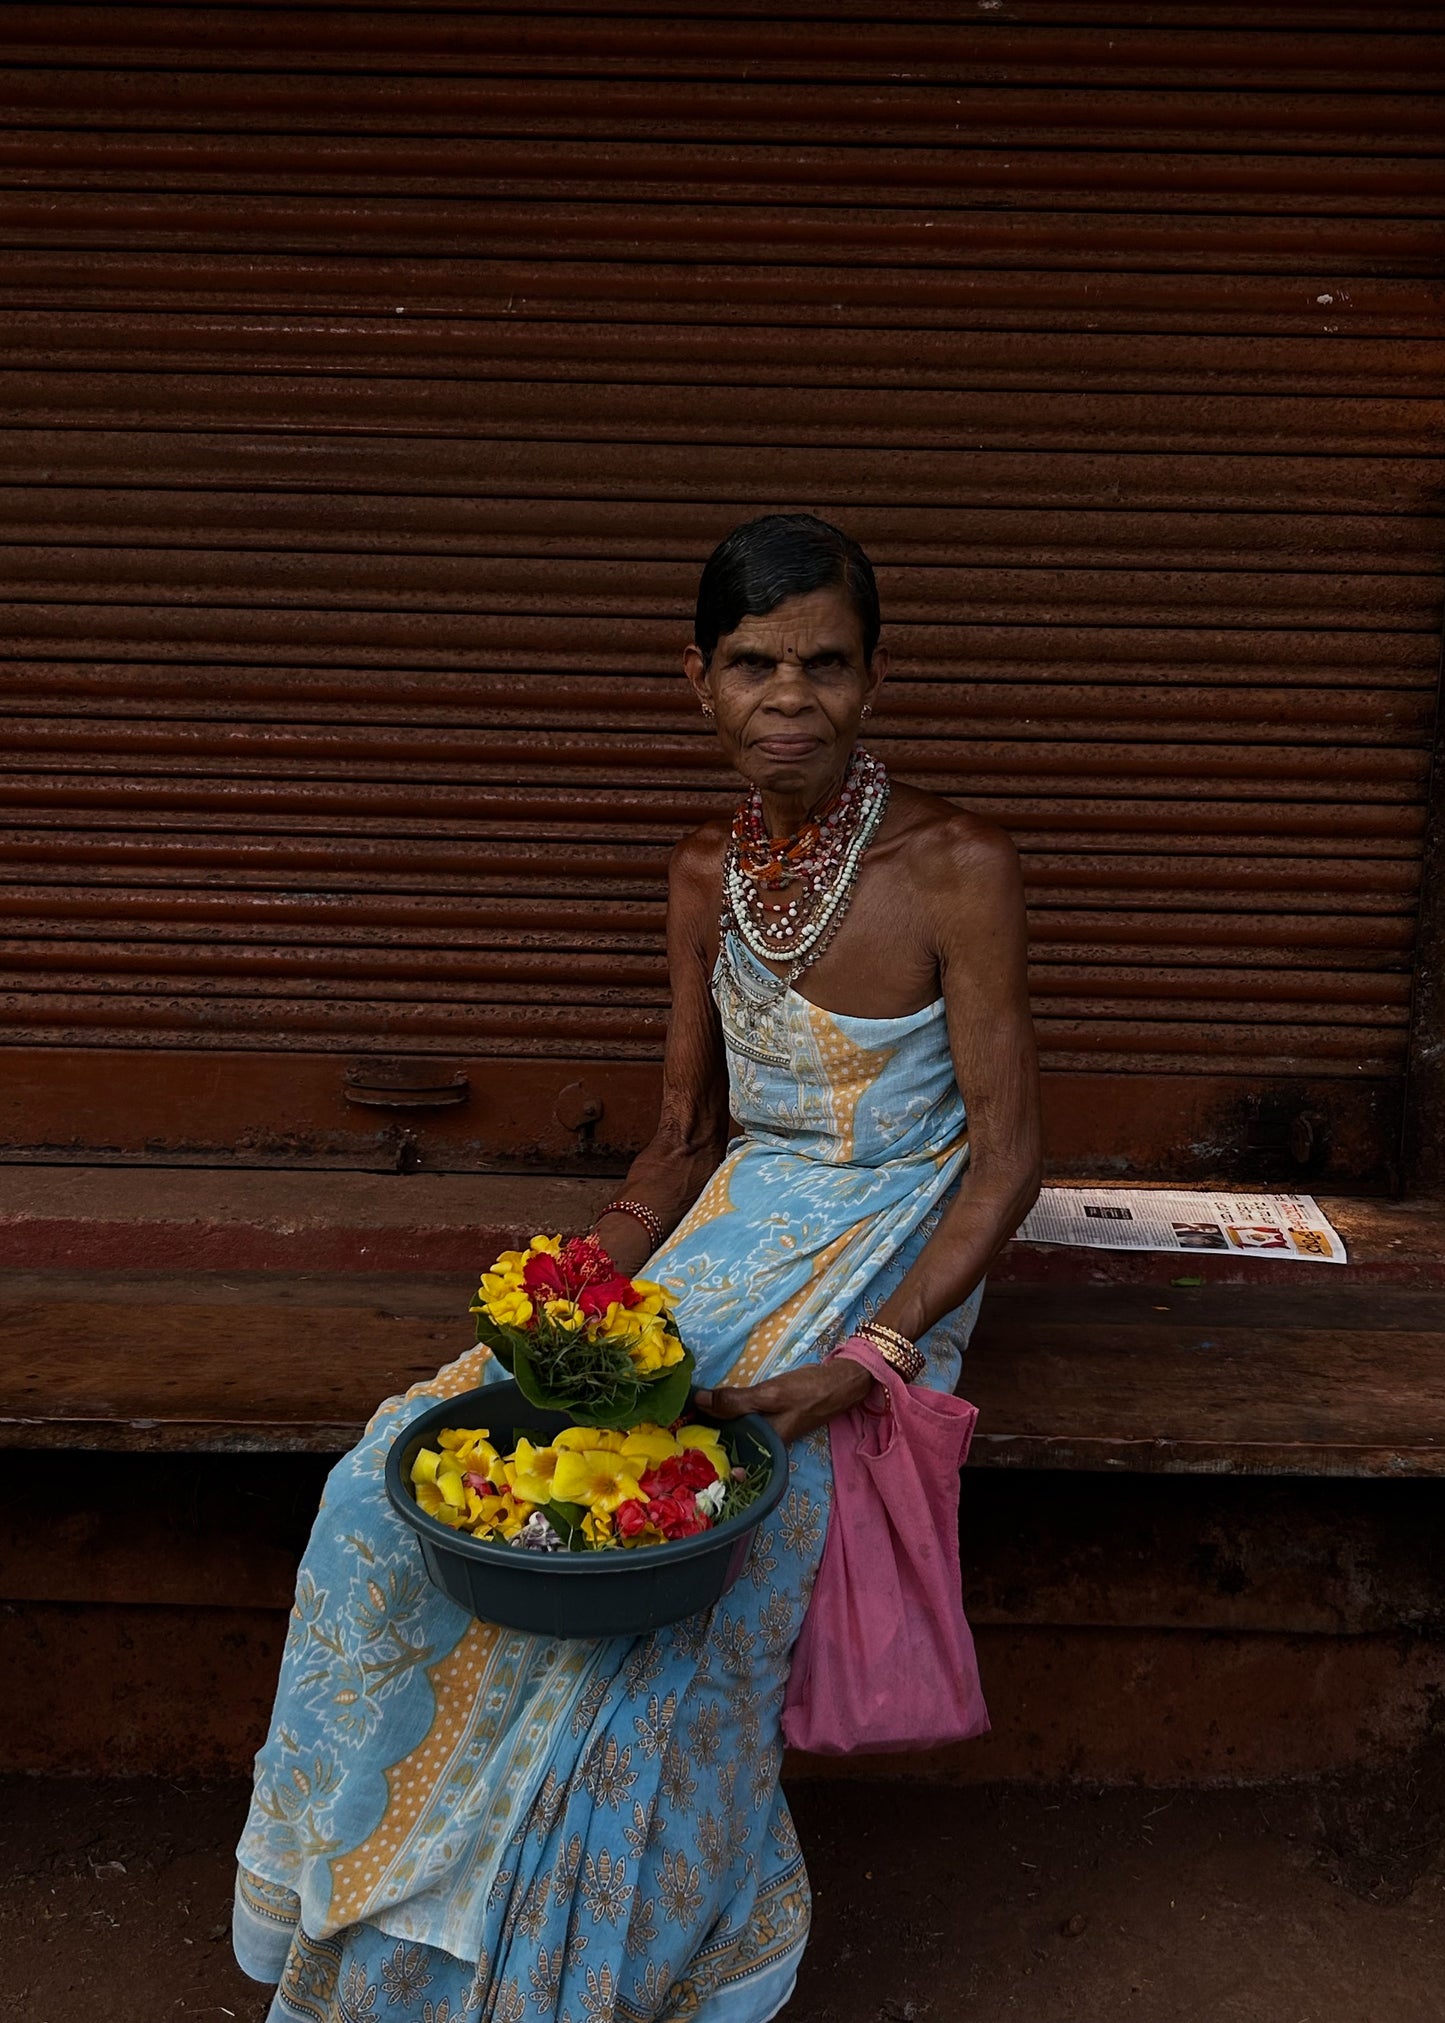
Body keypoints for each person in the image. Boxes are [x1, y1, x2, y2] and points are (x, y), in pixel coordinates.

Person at [234, 513, 1042, 2022]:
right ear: (697, 679)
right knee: (392, 1478)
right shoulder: (700, 870)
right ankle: (396, 1914)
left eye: (823, 664)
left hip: (895, 1248)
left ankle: (598, 1966)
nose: (787, 697)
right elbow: (681, 1140)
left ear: (873, 679)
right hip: (737, 1220)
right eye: (752, 663)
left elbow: (1004, 1166)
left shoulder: (959, 866)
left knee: (702, 1541)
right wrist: (564, 1289)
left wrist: (867, 1360)